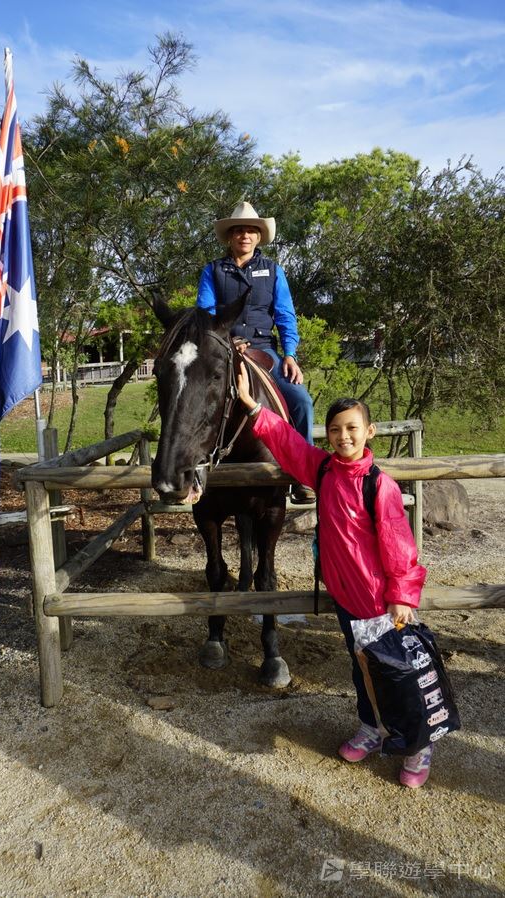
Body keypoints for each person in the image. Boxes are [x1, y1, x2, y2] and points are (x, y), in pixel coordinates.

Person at [236, 363, 433, 789]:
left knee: (397, 674)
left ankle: (418, 746)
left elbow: (399, 543)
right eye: (335, 430)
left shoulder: (378, 485)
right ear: (327, 435)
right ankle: (372, 728)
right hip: (346, 599)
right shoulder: (323, 471)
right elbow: (288, 443)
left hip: (380, 601)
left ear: (369, 432)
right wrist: (252, 406)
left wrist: (402, 595)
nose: (344, 436)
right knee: (363, 669)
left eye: (352, 428)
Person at [197, 201, 315, 503]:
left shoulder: (274, 271)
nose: (244, 235)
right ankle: (188, 470)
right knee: (191, 398)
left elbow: (285, 315)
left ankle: (304, 473)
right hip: (225, 348)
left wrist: (290, 355)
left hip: (264, 350)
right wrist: (225, 340)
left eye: (250, 230)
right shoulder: (212, 271)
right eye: (238, 230)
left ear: (259, 236)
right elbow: (206, 313)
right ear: (230, 236)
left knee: (301, 401)